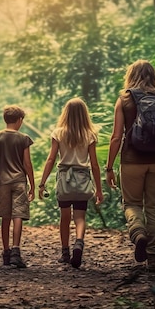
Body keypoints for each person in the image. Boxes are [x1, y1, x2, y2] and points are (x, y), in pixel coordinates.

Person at [105, 60, 155, 272]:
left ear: (131, 75)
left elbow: (116, 137)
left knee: (131, 204)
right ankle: (153, 259)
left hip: (132, 161)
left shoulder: (125, 99)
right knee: (154, 208)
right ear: (154, 75)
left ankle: (138, 232)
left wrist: (109, 167)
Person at [38, 98, 104, 268]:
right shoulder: (90, 135)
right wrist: (98, 189)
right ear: (84, 114)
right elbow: (95, 164)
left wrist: (42, 183)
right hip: (82, 179)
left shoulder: (58, 133)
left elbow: (51, 158)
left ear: (65, 113)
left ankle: (65, 252)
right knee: (80, 217)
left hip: (64, 179)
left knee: (65, 217)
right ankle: (79, 242)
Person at [0, 105, 36, 268]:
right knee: (18, 215)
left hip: (3, 182)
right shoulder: (24, 138)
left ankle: (6, 252)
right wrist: (33, 185)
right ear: (20, 120)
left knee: (5, 217)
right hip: (19, 181)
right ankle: (16, 251)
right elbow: (27, 163)